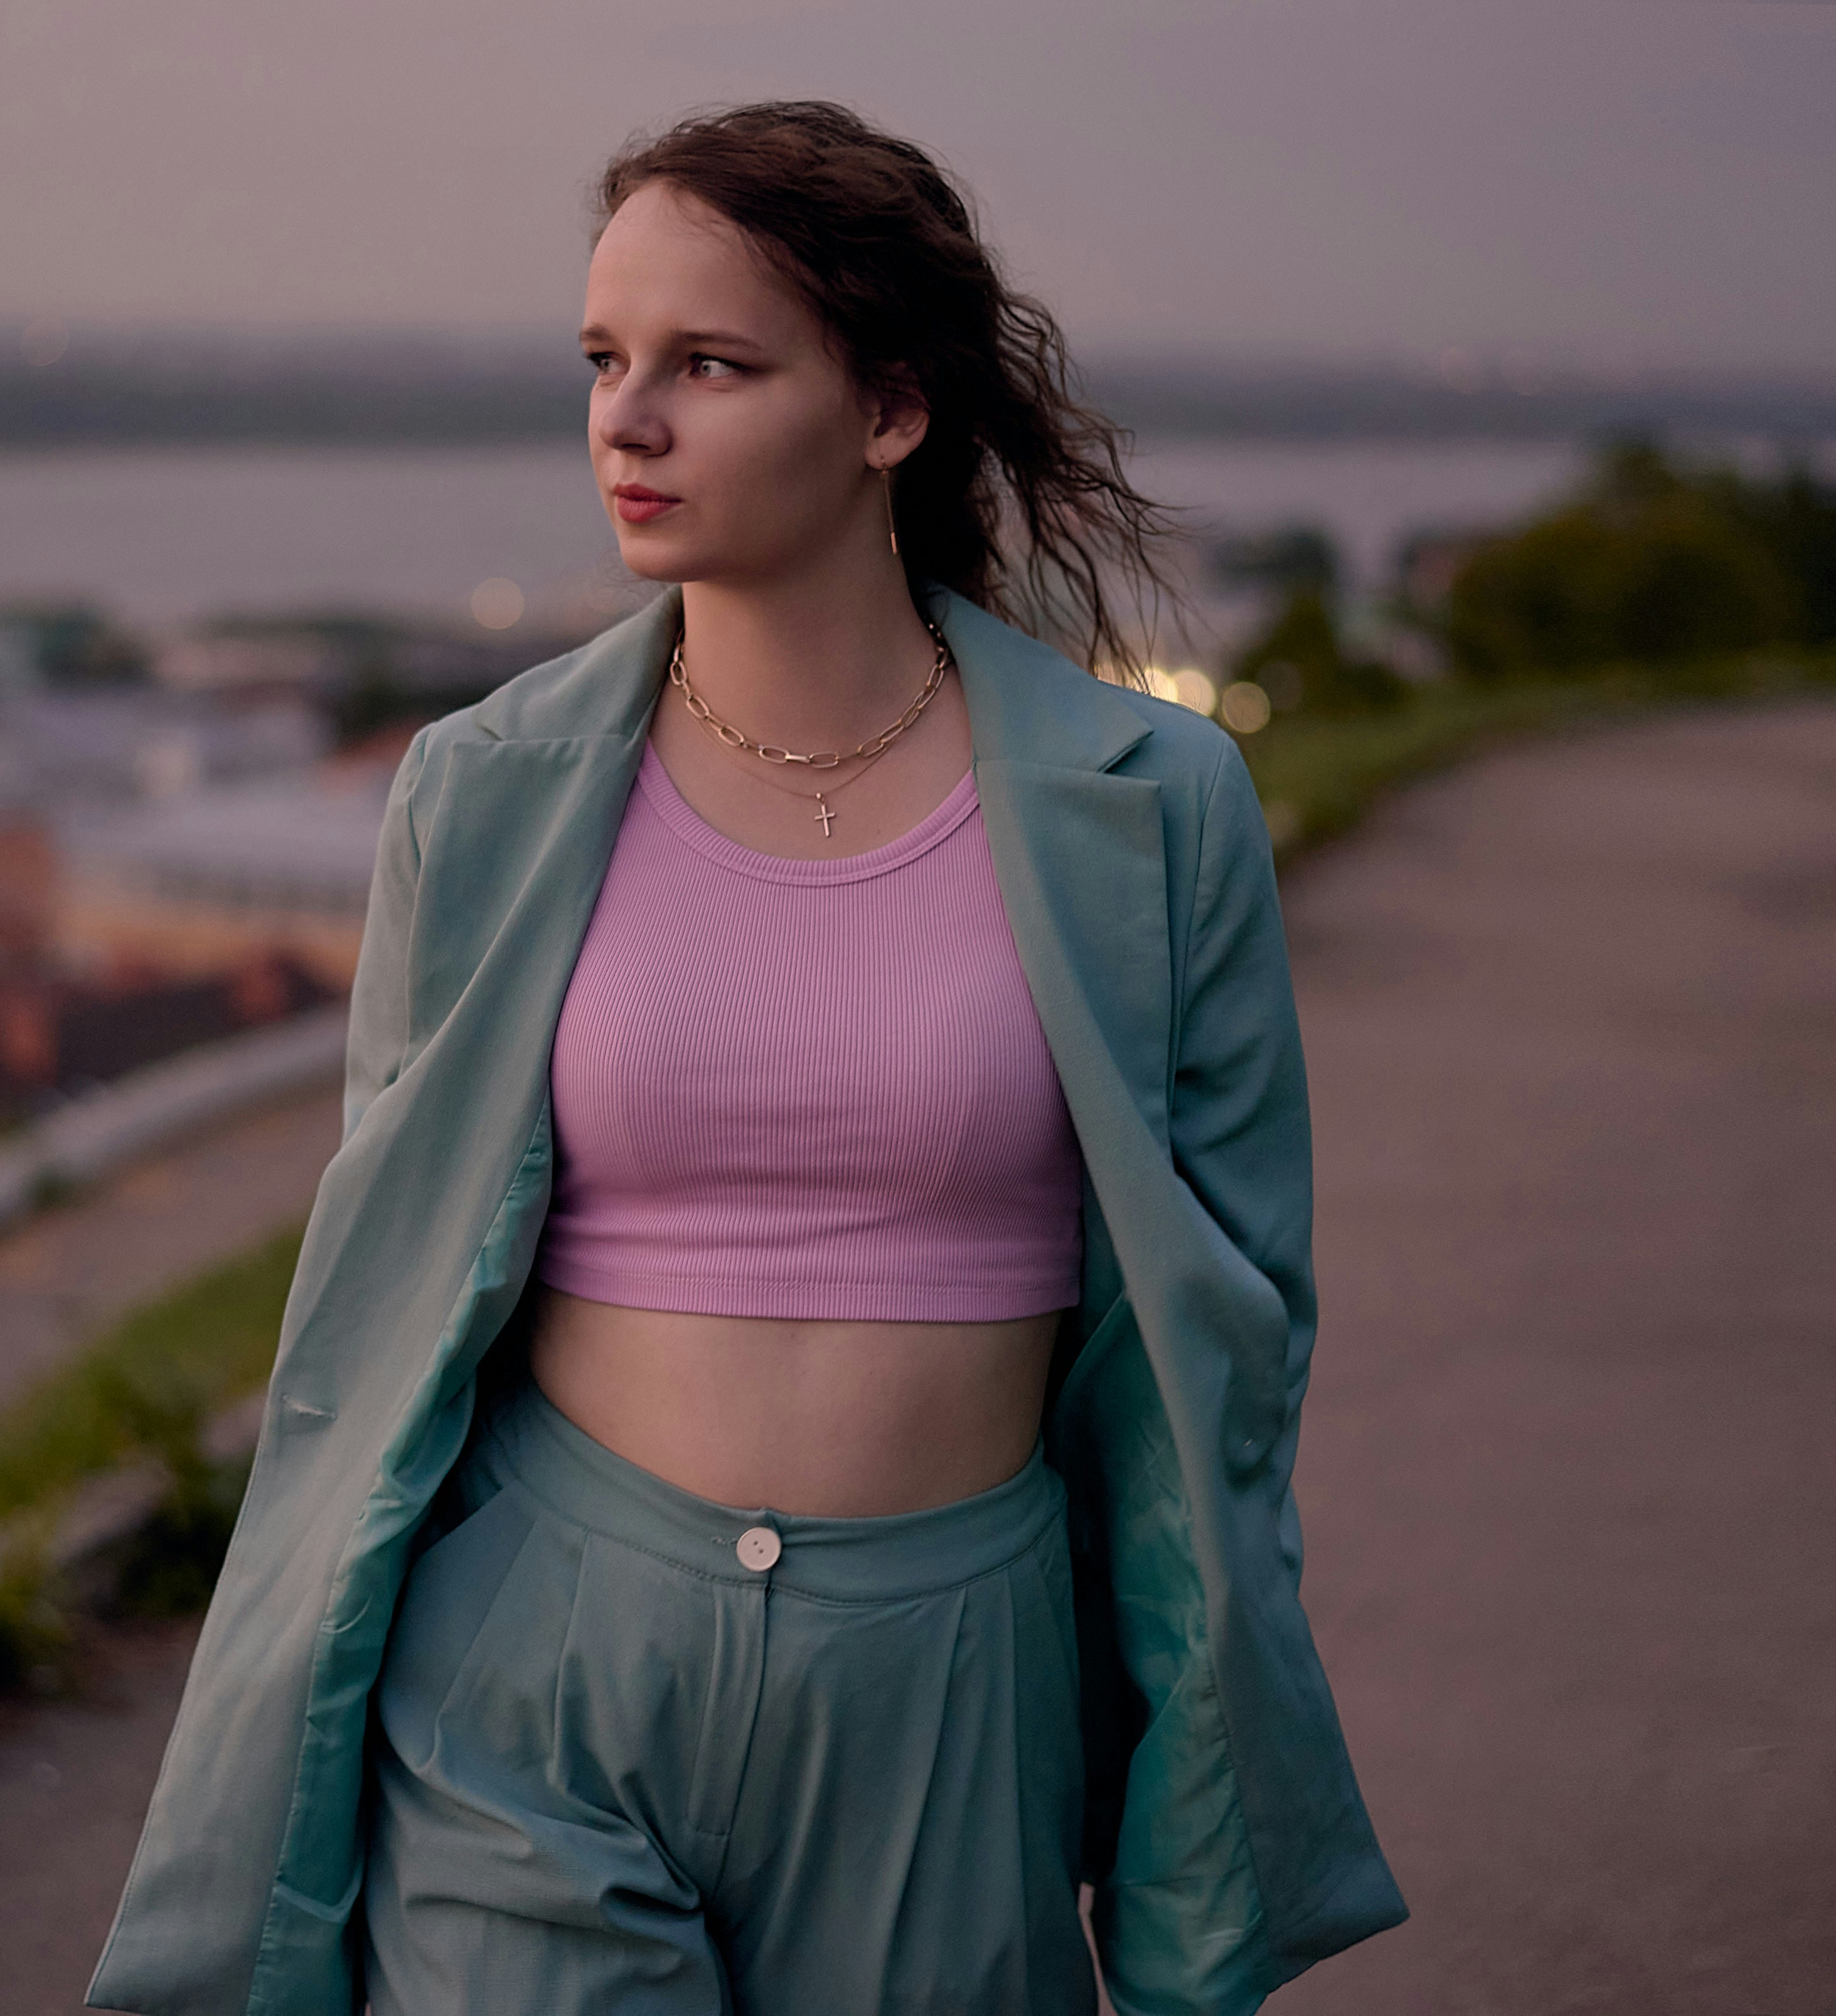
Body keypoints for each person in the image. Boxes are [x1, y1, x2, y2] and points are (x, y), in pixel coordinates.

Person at [88, 100, 1401, 2016]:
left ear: (890, 408)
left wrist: (1200, 1852)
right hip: (533, 1688)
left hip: (954, 1692)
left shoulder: (1159, 807)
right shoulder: (483, 795)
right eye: (607, 362)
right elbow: (378, 1309)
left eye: (710, 365)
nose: (629, 423)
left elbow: (1229, 1356)